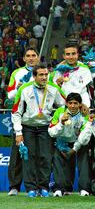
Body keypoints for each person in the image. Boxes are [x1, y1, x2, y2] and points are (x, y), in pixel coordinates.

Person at [12, 64, 66, 197]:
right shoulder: (24, 89)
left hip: (45, 128)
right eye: (41, 75)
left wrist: (57, 121)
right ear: (34, 76)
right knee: (29, 158)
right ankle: (31, 188)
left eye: (46, 75)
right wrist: (18, 132)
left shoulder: (54, 88)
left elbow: (64, 106)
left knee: (46, 158)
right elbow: (16, 112)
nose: (44, 77)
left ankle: (43, 187)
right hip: (28, 127)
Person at [7, 48, 39, 196]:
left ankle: (37, 186)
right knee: (17, 153)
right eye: (28, 56)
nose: (31, 58)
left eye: (33, 56)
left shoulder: (45, 73)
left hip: (38, 120)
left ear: (38, 58)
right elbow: (10, 95)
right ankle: (14, 186)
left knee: (38, 155)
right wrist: (19, 88)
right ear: (24, 58)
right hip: (20, 118)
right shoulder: (17, 73)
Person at [48, 93, 91, 197]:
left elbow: (85, 133)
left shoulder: (84, 114)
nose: (72, 106)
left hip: (79, 142)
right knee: (58, 163)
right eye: (70, 103)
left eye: (75, 103)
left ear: (80, 104)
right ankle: (59, 188)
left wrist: (75, 148)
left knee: (84, 162)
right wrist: (61, 123)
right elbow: (51, 132)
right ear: (66, 103)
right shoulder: (59, 112)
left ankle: (84, 189)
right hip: (61, 141)